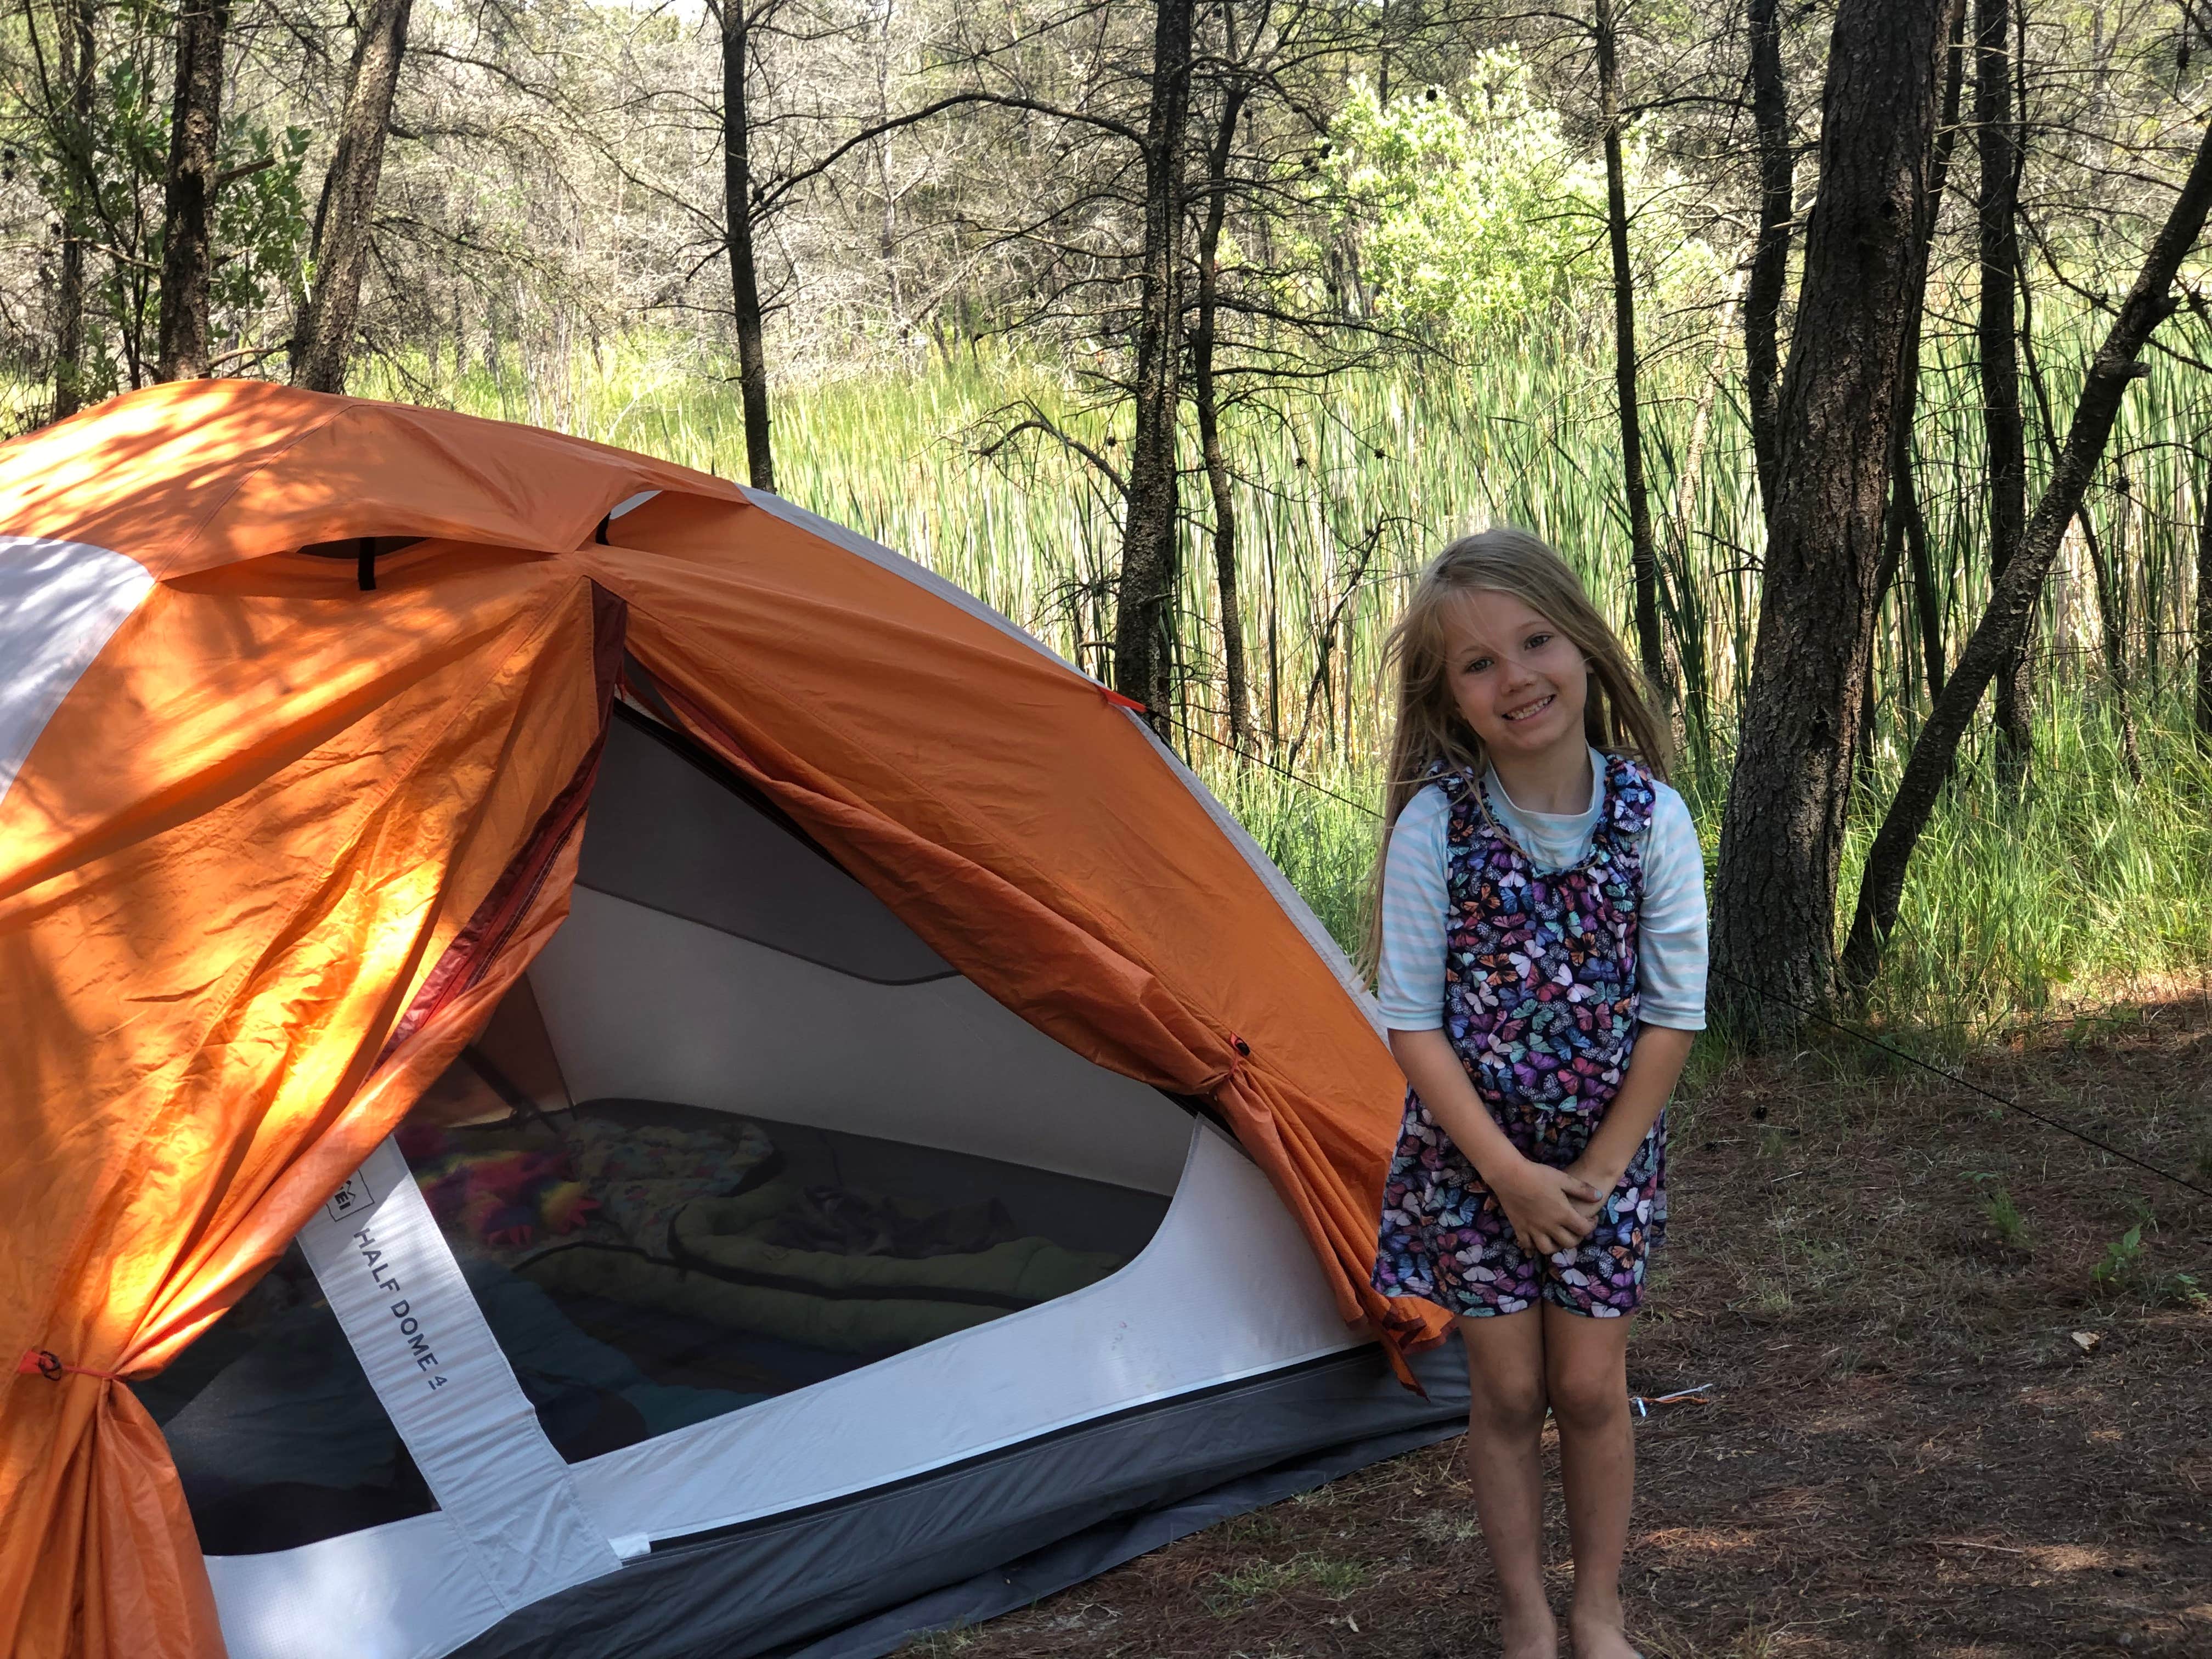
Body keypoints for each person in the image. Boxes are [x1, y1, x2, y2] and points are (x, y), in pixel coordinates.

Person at [1364, 527, 1707, 1659]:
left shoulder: (1652, 818)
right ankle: (1525, 1616)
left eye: (1535, 641)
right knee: (1510, 1394)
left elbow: (1673, 1013)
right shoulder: (1436, 829)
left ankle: (1599, 1609)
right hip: (1475, 1169)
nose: (1516, 679)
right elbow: (1412, 1023)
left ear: (1586, 649)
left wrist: (1593, 1176)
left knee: (1591, 1388)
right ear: (1450, 698)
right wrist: (1509, 1178)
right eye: (1477, 664)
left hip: (1605, 1166)